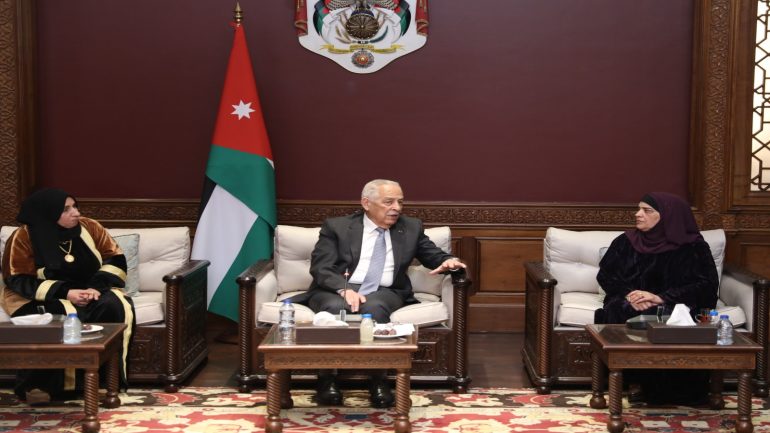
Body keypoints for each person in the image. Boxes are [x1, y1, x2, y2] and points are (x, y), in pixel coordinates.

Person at [292, 179, 465, 408]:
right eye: (388, 202)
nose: (396, 208)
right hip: (337, 288)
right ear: (366, 203)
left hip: (386, 290)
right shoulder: (337, 227)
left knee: (374, 307)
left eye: (400, 202)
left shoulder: (411, 227)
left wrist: (448, 261)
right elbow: (321, 267)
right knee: (335, 307)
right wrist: (344, 289)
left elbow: (432, 254)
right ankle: (327, 378)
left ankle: (379, 380)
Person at [1, 188, 135, 405]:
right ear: (48, 212)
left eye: (75, 206)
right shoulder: (24, 236)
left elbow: (116, 260)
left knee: (113, 305)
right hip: (40, 295)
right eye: (66, 209)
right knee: (56, 317)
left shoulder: (90, 227)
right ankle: (39, 385)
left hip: (90, 288)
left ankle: (98, 383)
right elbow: (18, 279)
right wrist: (66, 292)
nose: (76, 213)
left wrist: (95, 287)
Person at [594, 192, 719, 404]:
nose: (638, 214)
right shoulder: (626, 241)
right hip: (631, 300)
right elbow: (606, 276)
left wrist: (660, 297)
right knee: (621, 310)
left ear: (668, 215)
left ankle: (666, 389)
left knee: (666, 317)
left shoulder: (693, 246)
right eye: (638, 209)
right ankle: (633, 381)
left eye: (646, 210)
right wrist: (631, 295)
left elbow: (707, 285)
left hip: (675, 303)